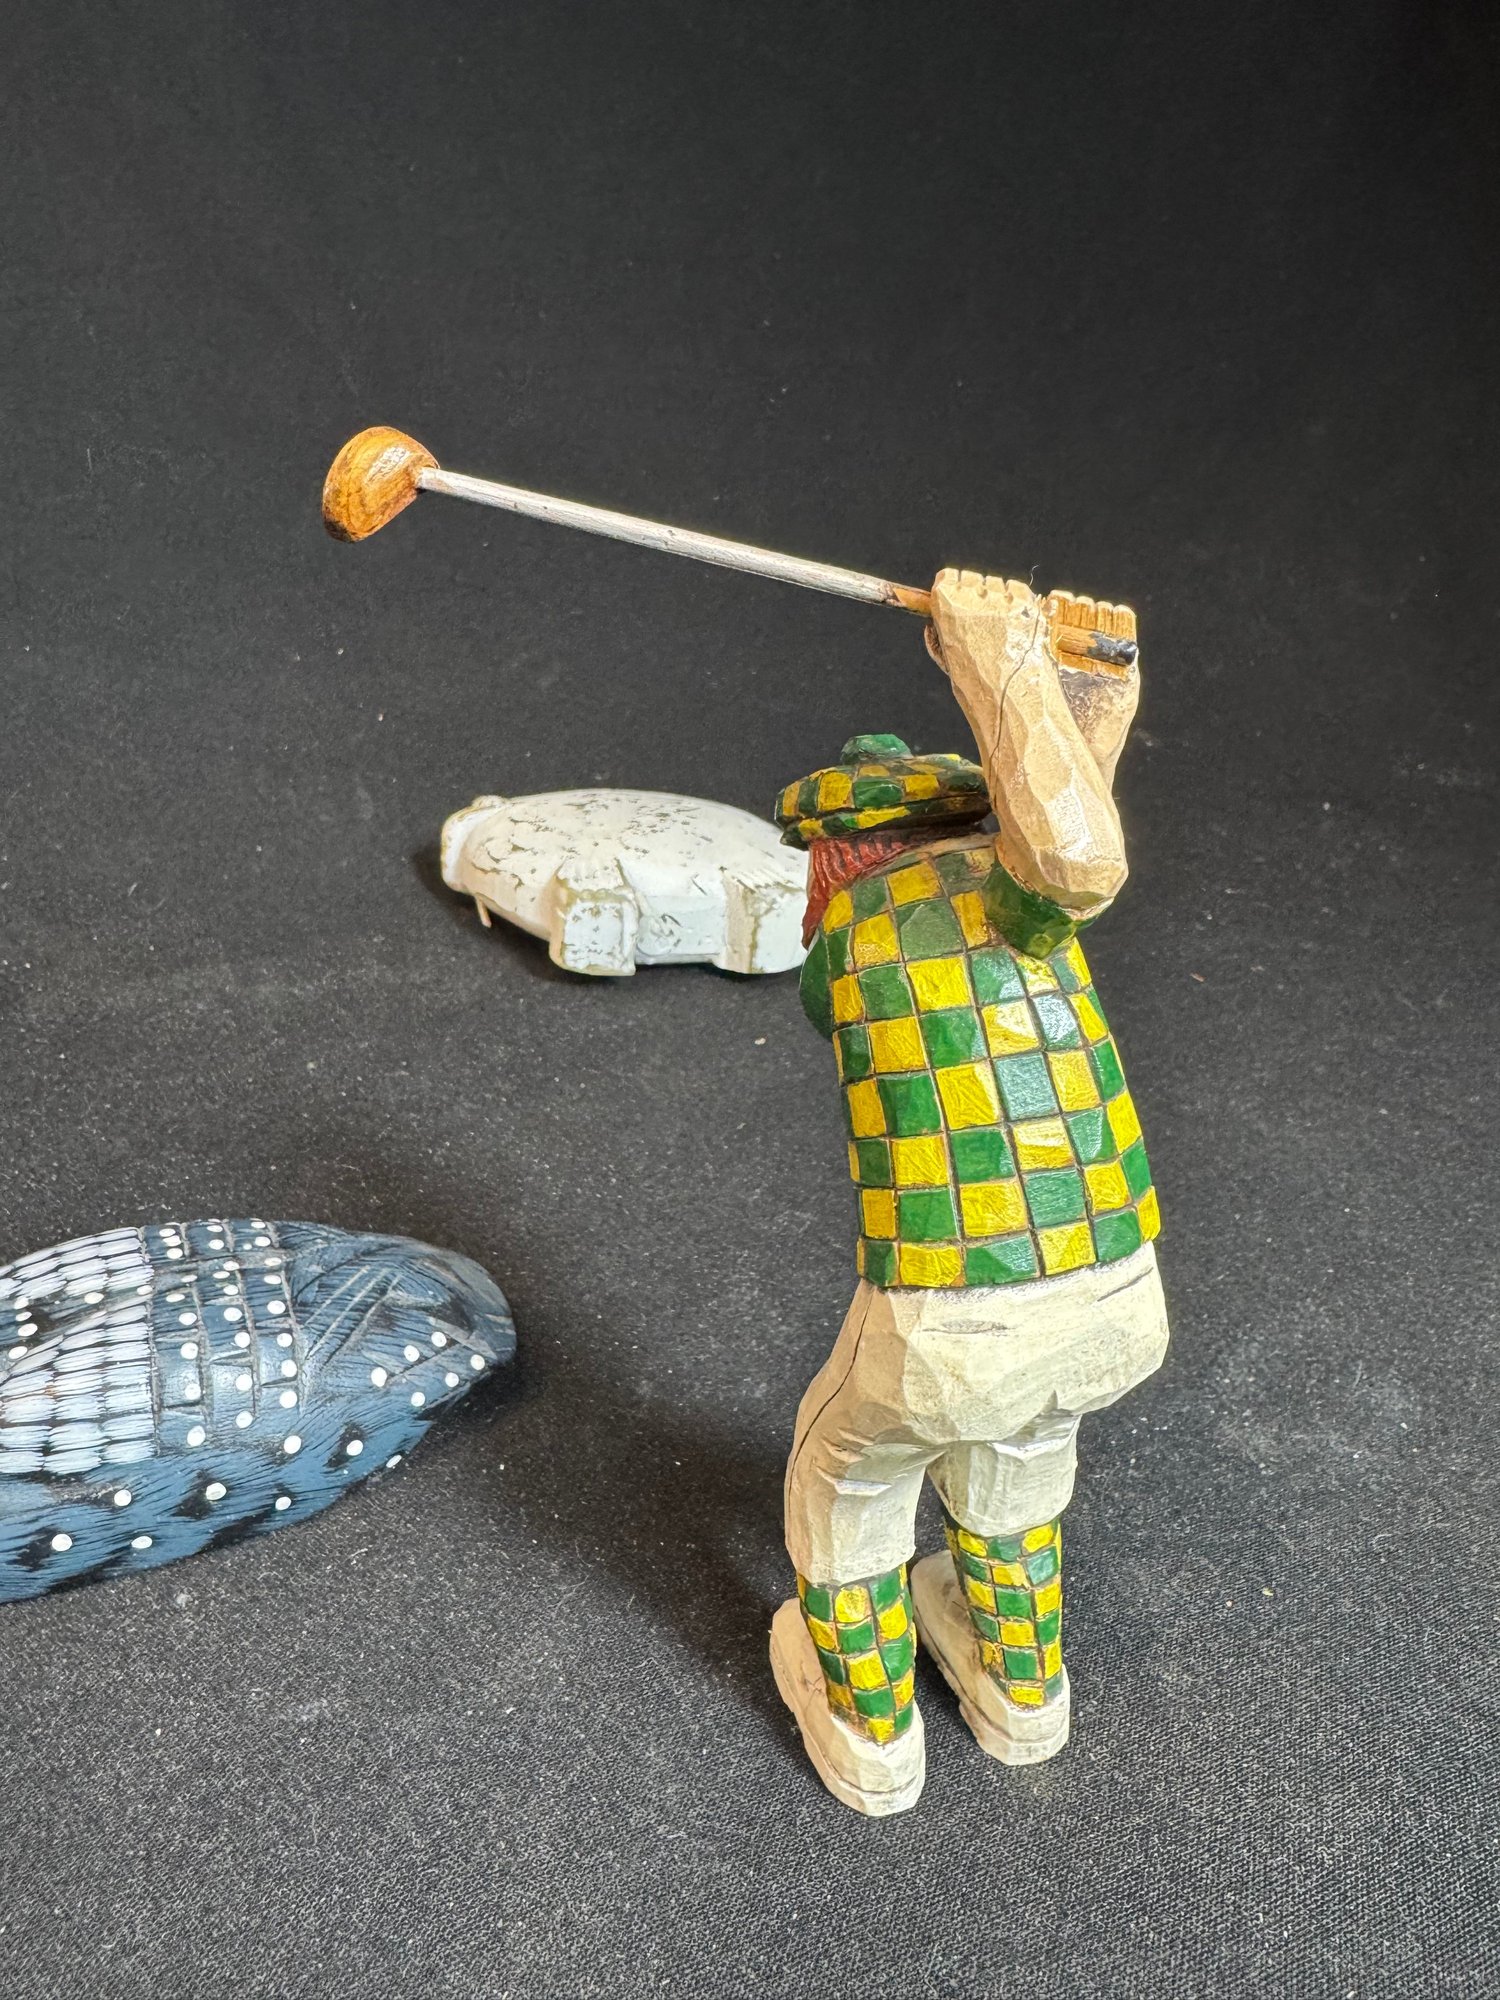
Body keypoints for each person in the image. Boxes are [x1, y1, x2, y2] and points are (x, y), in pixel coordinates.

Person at [769, 569, 1169, 1816]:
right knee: (1021, 1455)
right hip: (1120, 1296)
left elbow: (1074, 845)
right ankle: (1023, 1686)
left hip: (951, 1319)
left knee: (843, 1476)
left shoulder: (855, 940)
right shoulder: (1013, 902)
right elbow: (1065, 842)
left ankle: (872, 1725)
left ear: (837, 855)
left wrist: (1025, 666)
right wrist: (1060, 676)